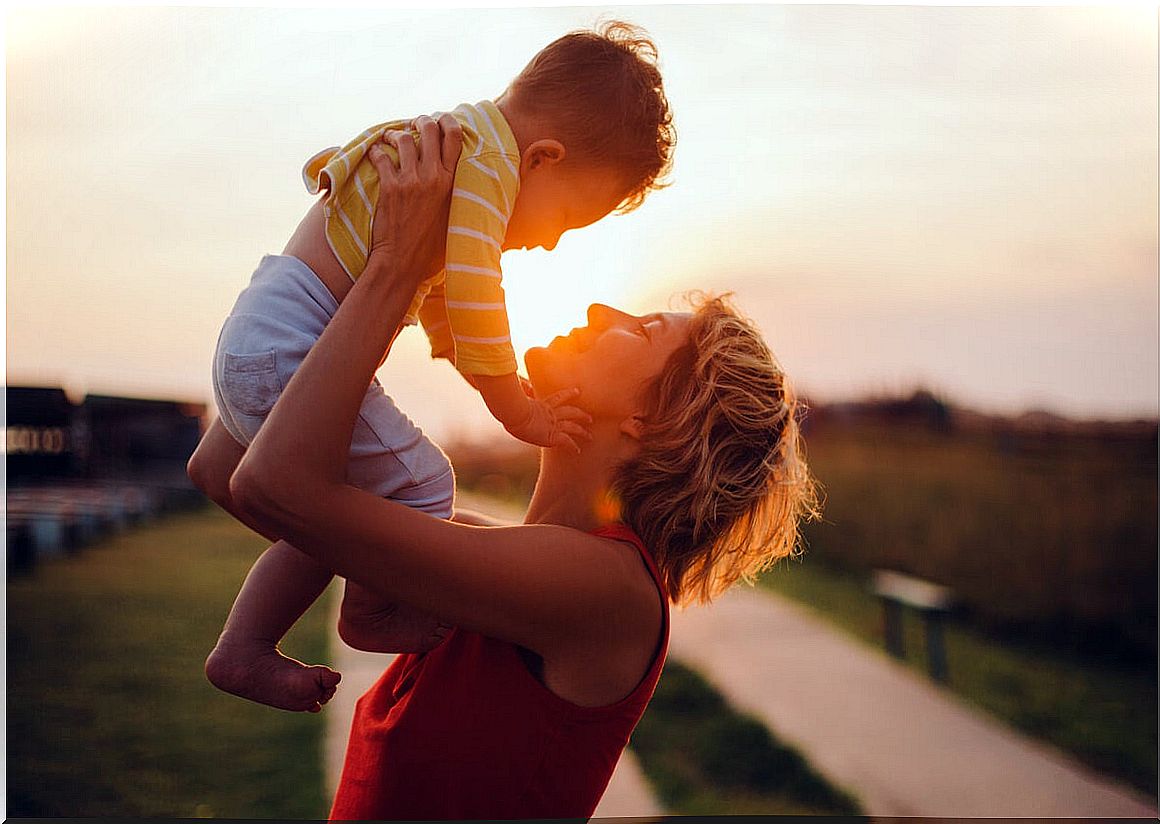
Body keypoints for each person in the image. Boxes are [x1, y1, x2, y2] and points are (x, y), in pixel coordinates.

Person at [190, 114, 818, 818]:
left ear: (650, 420)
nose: (601, 307)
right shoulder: (486, 553)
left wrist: (399, 265)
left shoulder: (604, 589)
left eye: (641, 330)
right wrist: (335, 265)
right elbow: (226, 469)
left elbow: (274, 486)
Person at [200, 21, 676, 713]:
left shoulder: (454, 144)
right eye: (568, 219)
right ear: (542, 158)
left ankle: (247, 643)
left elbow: (446, 304)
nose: (548, 245)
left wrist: (469, 368)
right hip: (291, 346)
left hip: (257, 333)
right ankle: (367, 614)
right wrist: (513, 403)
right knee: (423, 480)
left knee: (344, 508)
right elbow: (478, 291)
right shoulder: (483, 170)